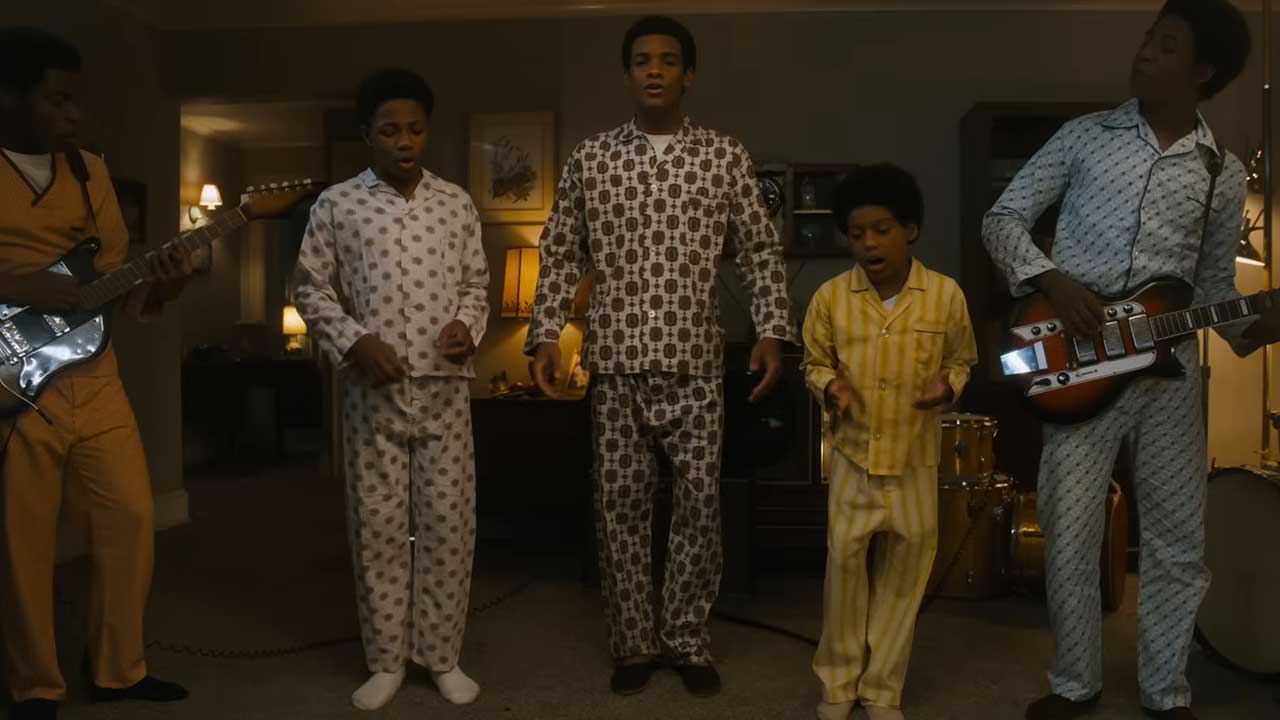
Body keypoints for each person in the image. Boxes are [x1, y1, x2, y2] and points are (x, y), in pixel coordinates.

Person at [983, 2, 1280, 718]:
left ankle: (1165, 693)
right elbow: (1003, 218)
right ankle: (1074, 683)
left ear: (1202, 71)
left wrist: (1258, 329)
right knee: (1070, 531)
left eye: (1167, 45)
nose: (1145, 52)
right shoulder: (1085, 136)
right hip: (1077, 360)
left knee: (1178, 540)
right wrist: (1053, 281)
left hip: (1167, 377)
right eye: (1150, 38)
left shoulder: (1220, 170)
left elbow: (1211, 290)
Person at [525, 14, 795, 698]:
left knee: (700, 507)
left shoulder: (723, 155)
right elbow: (560, 249)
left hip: (695, 364)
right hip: (616, 364)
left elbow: (761, 249)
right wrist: (545, 334)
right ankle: (634, 644)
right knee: (619, 506)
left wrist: (771, 330)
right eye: (642, 59)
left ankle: (687, 640)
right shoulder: (591, 158)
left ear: (688, 74)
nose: (654, 69)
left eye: (668, 60)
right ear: (627, 74)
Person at [0, 26, 194, 720]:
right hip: (15, 382)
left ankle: (117, 669)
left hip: (95, 373)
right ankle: (35, 686)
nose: (73, 114)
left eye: (75, 100)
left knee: (131, 516)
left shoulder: (91, 173)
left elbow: (116, 282)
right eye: (56, 100)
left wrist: (166, 282)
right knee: (23, 539)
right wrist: (18, 285)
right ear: (10, 97)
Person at [292, 67, 489, 711]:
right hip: (372, 391)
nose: (405, 141)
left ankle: (441, 656)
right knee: (377, 525)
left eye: (415, 129)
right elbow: (310, 288)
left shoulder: (455, 203)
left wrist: (467, 325)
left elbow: (476, 285)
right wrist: (354, 341)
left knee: (447, 524)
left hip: (444, 389)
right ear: (367, 135)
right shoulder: (337, 205)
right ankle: (385, 660)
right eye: (390, 131)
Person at [803, 164, 976, 720]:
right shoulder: (830, 297)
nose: (869, 244)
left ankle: (882, 689)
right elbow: (814, 362)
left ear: (910, 229)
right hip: (852, 459)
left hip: (914, 460)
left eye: (882, 230)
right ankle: (838, 684)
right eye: (857, 234)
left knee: (905, 577)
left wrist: (948, 386)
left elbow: (962, 360)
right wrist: (831, 387)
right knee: (844, 571)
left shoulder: (945, 296)